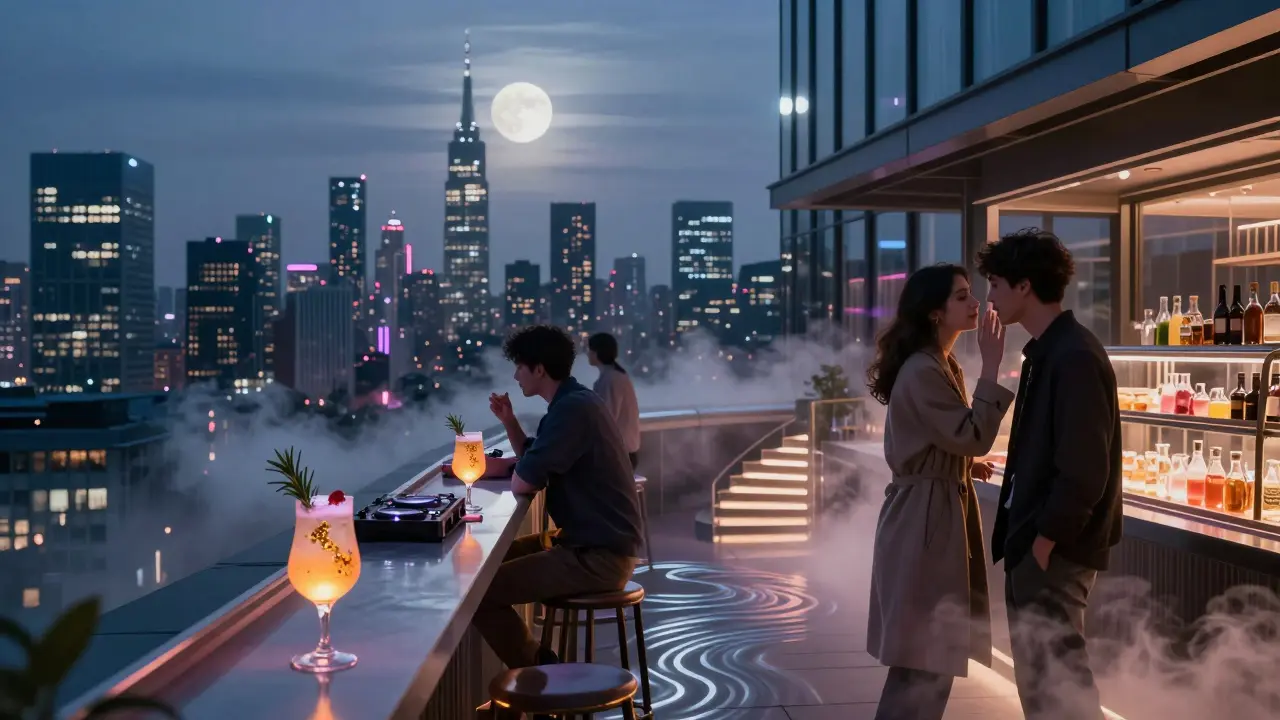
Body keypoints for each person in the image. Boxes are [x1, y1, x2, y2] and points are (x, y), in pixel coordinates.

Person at [980, 228, 1121, 720]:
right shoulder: (1049, 351)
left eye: (996, 284)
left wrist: (1044, 541)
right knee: (1043, 687)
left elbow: (1085, 469)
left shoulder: (1074, 356)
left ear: (1024, 287)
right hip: (1036, 542)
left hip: (1053, 548)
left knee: (1061, 687)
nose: (990, 297)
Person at [864, 263, 1014, 720]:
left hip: (927, 516)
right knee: (926, 662)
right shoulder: (924, 370)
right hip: (923, 526)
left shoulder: (938, 363)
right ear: (934, 312)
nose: (976, 304)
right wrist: (991, 365)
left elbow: (947, 440)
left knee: (927, 661)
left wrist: (963, 463)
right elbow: (970, 434)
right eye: (963, 296)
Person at [472, 324, 645, 671]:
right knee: (492, 559)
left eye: (520, 366)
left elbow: (524, 482)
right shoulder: (576, 400)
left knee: (479, 593)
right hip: (591, 543)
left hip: (599, 557)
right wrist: (509, 424)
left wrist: (514, 469)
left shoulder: (571, 410)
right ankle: (538, 674)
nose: (516, 374)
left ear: (539, 369)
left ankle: (541, 674)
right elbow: (536, 456)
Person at [587, 332, 641, 470]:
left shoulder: (610, 380)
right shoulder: (617, 376)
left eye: (590, 350)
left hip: (617, 455)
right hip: (625, 452)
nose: (587, 354)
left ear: (597, 352)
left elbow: (606, 418)